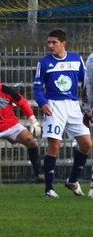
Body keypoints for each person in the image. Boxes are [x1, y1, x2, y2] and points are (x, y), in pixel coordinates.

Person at [32, 28, 92, 198]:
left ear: (63, 43)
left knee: (87, 144)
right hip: (54, 106)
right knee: (54, 147)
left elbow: (86, 83)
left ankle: (72, 180)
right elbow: (37, 87)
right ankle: (49, 189)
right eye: (49, 42)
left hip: (73, 106)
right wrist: (42, 102)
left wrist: (88, 104)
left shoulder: (76, 59)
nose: (50, 46)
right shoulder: (43, 63)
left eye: (54, 43)